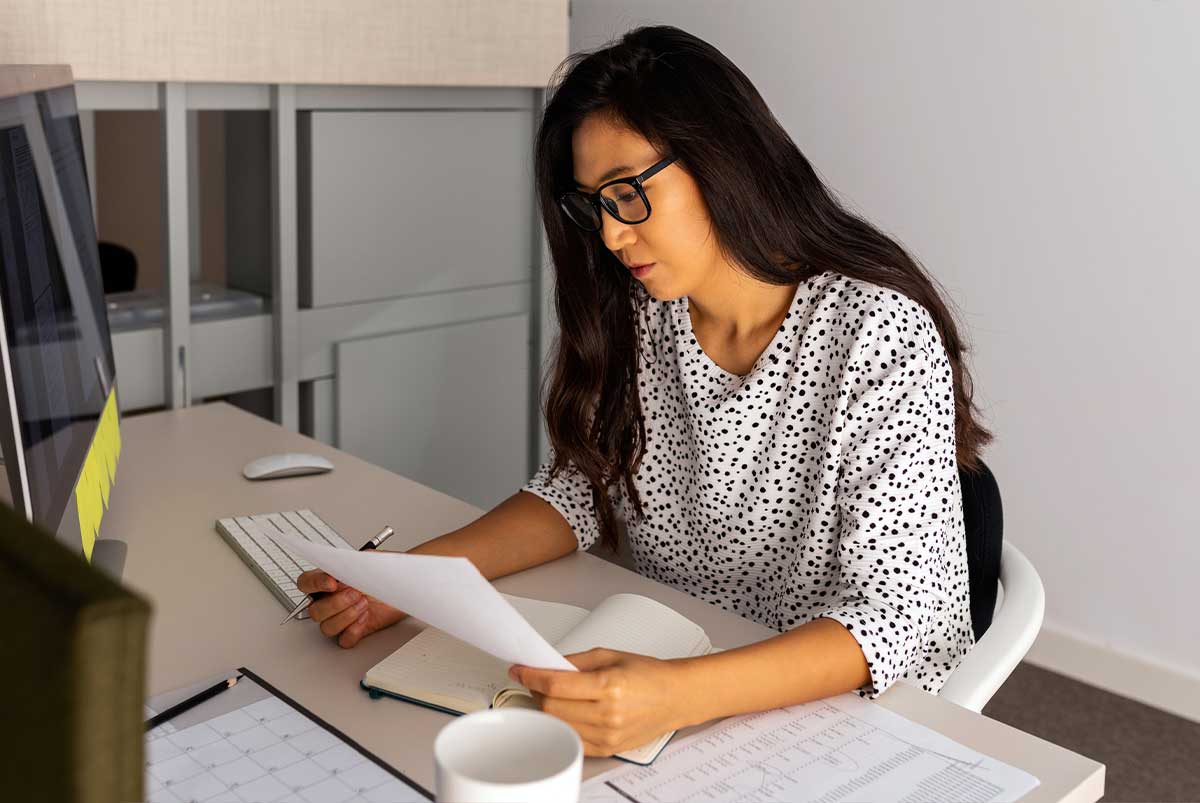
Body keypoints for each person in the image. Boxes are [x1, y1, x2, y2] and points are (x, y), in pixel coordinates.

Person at [298, 24, 993, 758]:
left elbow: (895, 613)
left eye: (628, 193)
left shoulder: (876, 332)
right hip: (681, 669)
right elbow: (578, 493)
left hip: (841, 715)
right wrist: (406, 581)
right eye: (592, 204)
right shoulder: (643, 312)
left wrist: (675, 693)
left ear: (722, 159)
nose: (609, 234)